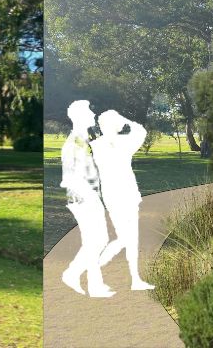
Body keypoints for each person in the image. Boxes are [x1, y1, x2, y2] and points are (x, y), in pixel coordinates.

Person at [91, 110, 155, 291]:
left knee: (129, 238)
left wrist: (119, 119)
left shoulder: (102, 144)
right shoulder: (116, 144)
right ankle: (94, 266)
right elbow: (140, 130)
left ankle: (135, 279)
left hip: (121, 194)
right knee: (126, 238)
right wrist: (125, 119)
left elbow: (141, 132)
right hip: (119, 194)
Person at [60, 100, 114, 297]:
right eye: (90, 112)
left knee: (97, 240)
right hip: (84, 198)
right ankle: (92, 284)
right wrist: (88, 198)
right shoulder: (73, 143)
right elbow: (72, 176)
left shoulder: (83, 140)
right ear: (80, 117)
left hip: (90, 196)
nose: (93, 115)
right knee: (96, 241)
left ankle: (73, 274)